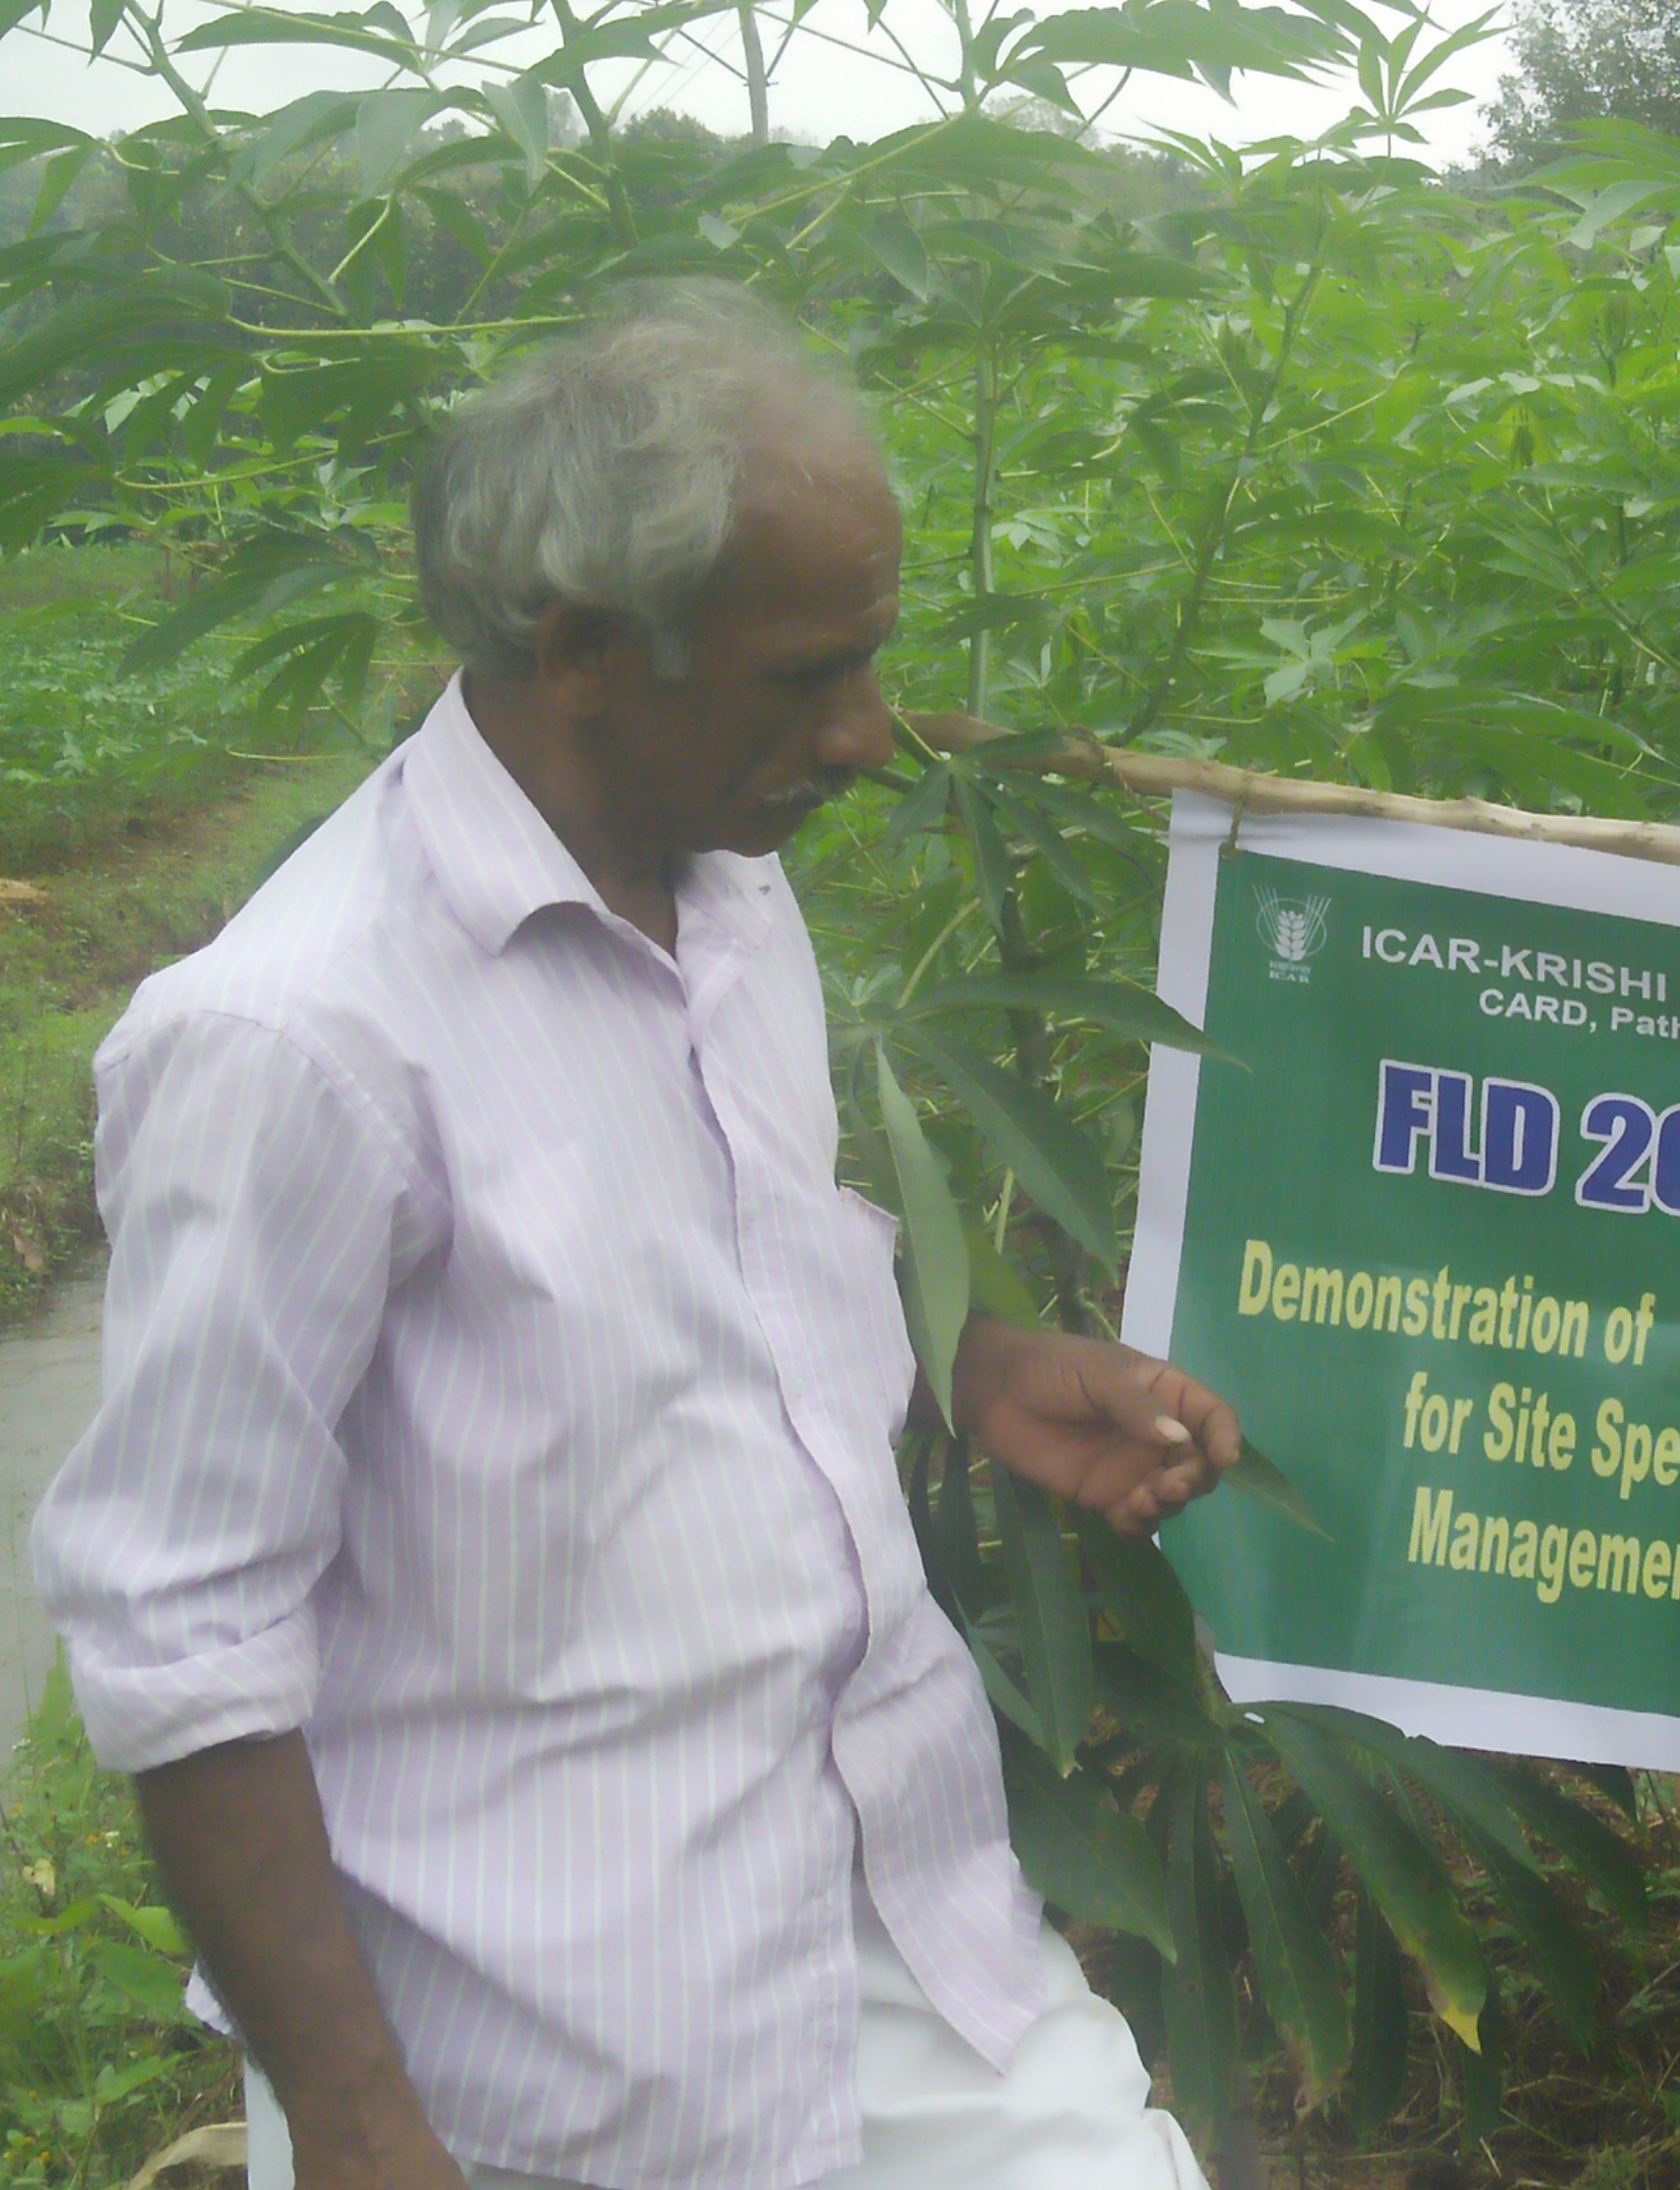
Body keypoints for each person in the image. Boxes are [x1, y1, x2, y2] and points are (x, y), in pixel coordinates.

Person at [30, 281, 1235, 2190]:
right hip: (539, 2061)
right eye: (798, 677)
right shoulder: (298, 1046)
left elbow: (730, 1249)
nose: (866, 736)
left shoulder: (733, 893)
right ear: (581, 646)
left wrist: (981, 1366)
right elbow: (182, 1632)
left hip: (884, 1934)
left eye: (874, 658)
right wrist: (353, 2124)